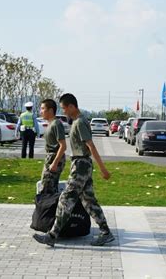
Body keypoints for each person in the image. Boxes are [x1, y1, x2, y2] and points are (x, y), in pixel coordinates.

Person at [33, 93, 115, 246]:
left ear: (71, 106)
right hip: (81, 163)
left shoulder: (79, 123)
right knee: (88, 200)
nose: (63, 111)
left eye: (64, 108)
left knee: (66, 198)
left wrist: (103, 169)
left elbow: (90, 146)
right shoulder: (79, 121)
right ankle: (106, 232)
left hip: (81, 165)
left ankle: (52, 236)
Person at [39, 99, 66, 194]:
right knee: (47, 187)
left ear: (50, 110)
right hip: (49, 157)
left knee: (47, 188)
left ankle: (49, 208)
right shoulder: (50, 124)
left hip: (54, 158)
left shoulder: (56, 124)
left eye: (43, 109)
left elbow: (63, 146)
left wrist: (55, 163)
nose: (40, 111)